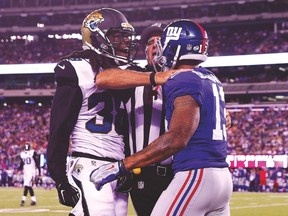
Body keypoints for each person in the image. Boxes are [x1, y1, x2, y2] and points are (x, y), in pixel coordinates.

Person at [90, 19, 233, 215]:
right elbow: (103, 78)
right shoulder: (206, 77)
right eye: (150, 43)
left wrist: (122, 166)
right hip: (151, 174)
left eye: (160, 41)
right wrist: (156, 77)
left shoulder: (185, 78)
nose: (157, 47)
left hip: (184, 170)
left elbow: (177, 137)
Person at [47, 8, 173, 216]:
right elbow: (59, 129)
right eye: (117, 36)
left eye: (126, 37)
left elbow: (126, 127)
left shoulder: (126, 73)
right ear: (96, 37)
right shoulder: (79, 69)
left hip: (118, 169)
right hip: (90, 161)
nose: (125, 43)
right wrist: (59, 177)